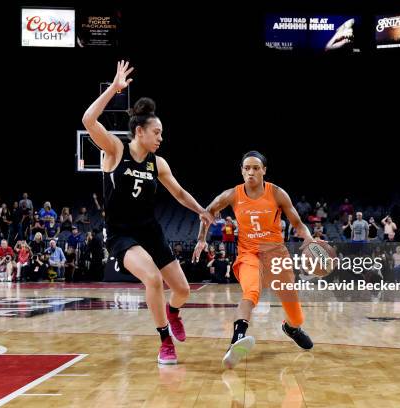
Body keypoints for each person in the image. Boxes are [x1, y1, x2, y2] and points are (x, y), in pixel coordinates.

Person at [81, 60, 214, 365]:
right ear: (140, 132)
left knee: (182, 290)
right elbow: (89, 120)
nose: (161, 137)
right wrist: (114, 90)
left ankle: (173, 312)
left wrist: (201, 211)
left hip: (150, 230)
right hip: (121, 234)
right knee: (153, 279)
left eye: (162, 133)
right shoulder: (115, 150)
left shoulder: (159, 163)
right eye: (157, 132)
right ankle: (165, 341)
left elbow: (179, 193)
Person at [193, 151, 314, 369]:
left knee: (295, 312)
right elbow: (208, 212)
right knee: (250, 293)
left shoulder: (277, 193)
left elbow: (297, 223)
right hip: (249, 254)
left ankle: (292, 328)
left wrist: (309, 237)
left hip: (276, 254)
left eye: (256, 168)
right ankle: (236, 340)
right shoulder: (232, 195)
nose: (251, 172)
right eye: (246, 168)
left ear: (264, 171)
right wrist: (201, 239)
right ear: (241, 171)